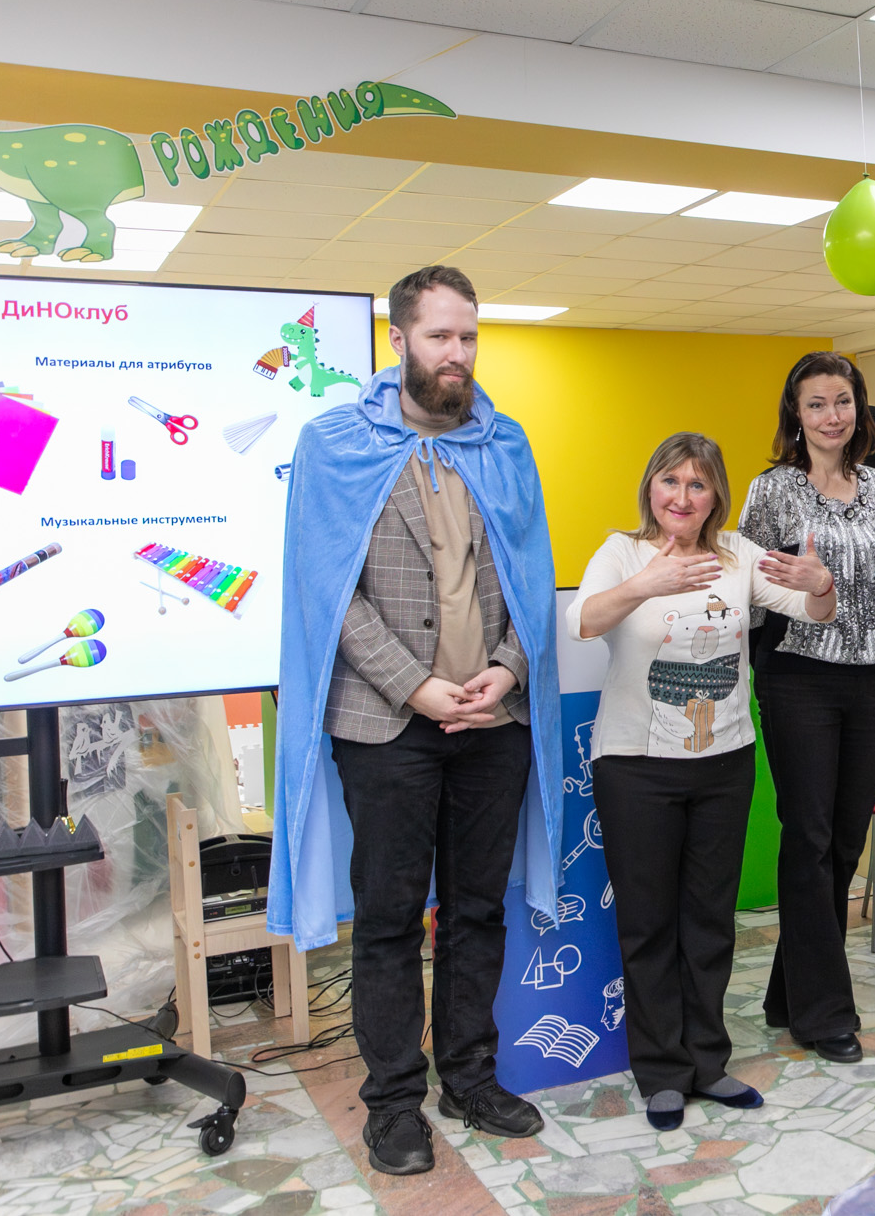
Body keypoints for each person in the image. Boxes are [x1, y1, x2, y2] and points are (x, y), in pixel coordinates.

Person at [273, 264, 565, 1175]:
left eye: (469, 336)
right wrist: (417, 686)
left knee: (478, 909)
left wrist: (506, 668)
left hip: (494, 720)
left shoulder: (504, 444)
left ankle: (469, 1076)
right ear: (397, 339)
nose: (457, 353)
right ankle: (394, 1102)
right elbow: (330, 592)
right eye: (440, 336)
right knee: (392, 918)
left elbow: (531, 576)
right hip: (386, 724)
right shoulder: (335, 444)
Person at [569, 432, 834, 1131]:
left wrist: (821, 585)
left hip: (724, 762)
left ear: (716, 494)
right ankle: (661, 1070)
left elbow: (813, 610)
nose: (682, 497)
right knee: (649, 922)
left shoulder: (738, 554)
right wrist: (646, 584)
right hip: (635, 764)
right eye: (670, 481)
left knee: (710, 921)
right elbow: (582, 622)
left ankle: (707, 1061)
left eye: (697, 483)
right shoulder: (622, 551)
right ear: (650, 487)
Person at [740, 353, 875, 1066]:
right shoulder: (772, 489)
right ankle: (825, 1010)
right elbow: (748, 589)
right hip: (798, 676)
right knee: (807, 837)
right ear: (795, 415)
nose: (832, 416)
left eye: (843, 401)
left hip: (868, 677)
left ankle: (789, 992)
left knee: (842, 842)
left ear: (858, 408)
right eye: (816, 404)